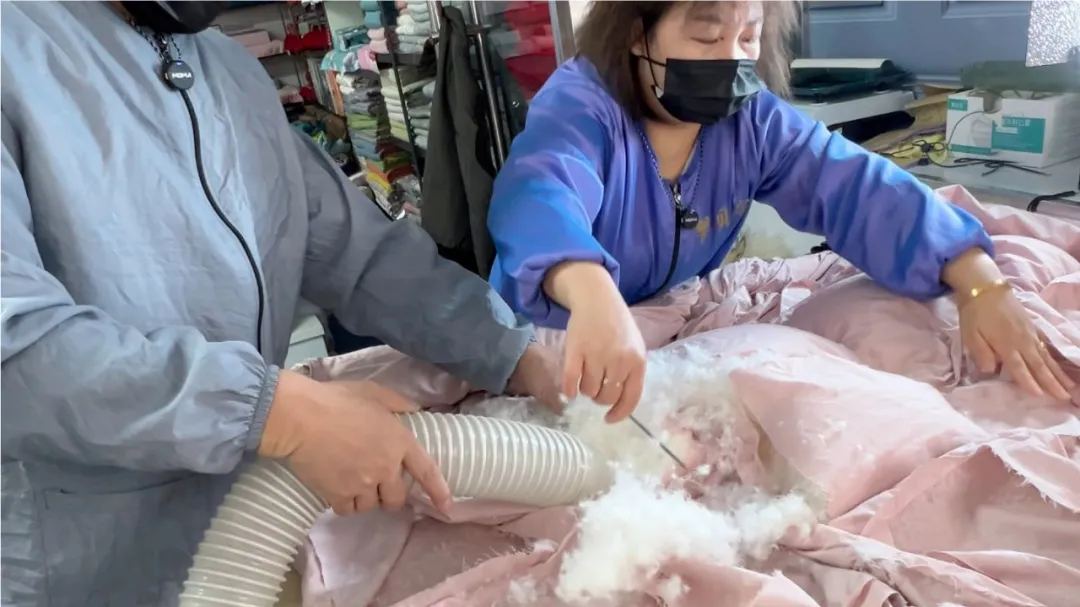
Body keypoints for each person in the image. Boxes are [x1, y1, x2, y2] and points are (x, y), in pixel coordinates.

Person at [0, 2, 559, 605]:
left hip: (249, 525)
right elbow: (17, 345)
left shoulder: (226, 70)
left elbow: (356, 253)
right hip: (85, 547)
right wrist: (274, 412)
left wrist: (510, 349)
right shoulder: (18, 55)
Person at [486, 0, 1075, 421]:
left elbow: (858, 188)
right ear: (638, 34)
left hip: (663, 322)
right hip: (554, 334)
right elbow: (540, 194)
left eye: (749, 37)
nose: (731, 58)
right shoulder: (582, 105)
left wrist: (979, 282)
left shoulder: (752, 122)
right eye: (706, 37)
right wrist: (592, 296)